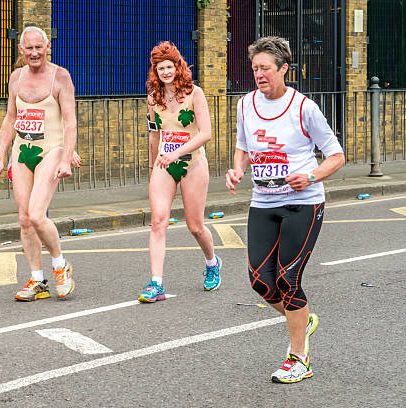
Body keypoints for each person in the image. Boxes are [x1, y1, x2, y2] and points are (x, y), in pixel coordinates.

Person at [225, 36, 345, 383]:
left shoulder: (303, 107)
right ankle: (303, 318)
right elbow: (243, 147)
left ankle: (299, 358)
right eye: (254, 69)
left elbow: (336, 156)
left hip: (302, 203)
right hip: (262, 202)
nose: (259, 75)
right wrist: (237, 169)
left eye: (265, 68)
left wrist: (309, 176)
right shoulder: (246, 104)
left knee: (287, 280)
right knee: (261, 283)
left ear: (283, 69)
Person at [0, 26, 77, 301]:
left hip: (50, 150)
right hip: (22, 150)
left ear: (48, 47)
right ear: (21, 50)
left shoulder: (60, 77)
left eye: (40, 47)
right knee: (25, 219)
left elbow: (70, 121)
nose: (35, 53)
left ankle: (60, 266)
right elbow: (10, 118)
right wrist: (1, 156)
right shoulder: (16, 77)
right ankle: (37, 281)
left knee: (38, 214)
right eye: (30, 48)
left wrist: (66, 157)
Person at [138, 42, 221, 303]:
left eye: (169, 66)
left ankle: (212, 262)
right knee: (158, 222)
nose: (165, 72)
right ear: (155, 71)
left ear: (178, 67)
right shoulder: (153, 98)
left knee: (195, 226)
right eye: (160, 68)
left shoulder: (195, 93)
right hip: (164, 165)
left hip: (193, 164)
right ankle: (156, 284)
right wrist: (153, 167)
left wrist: (176, 152)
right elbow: (154, 134)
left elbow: (206, 133)